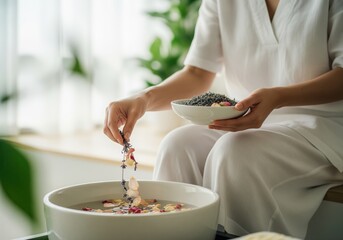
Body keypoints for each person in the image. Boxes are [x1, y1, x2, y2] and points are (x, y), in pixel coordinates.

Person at [104, 0, 343, 238]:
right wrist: (143, 99)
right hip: (244, 119)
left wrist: (278, 97)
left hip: (322, 125)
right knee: (177, 145)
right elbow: (197, 73)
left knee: (236, 152)